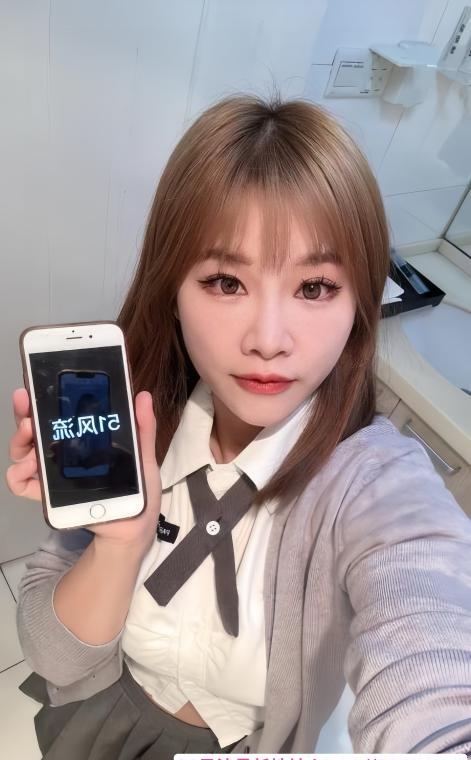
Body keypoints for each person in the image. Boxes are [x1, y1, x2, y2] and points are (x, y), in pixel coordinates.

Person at [7, 93, 471, 759]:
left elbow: (429, 628)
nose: (268, 339)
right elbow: (53, 657)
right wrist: (118, 545)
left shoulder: (375, 488)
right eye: (226, 282)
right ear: (172, 288)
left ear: (360, 306)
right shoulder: (132, 429)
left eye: (314, 287)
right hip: (103, 720)